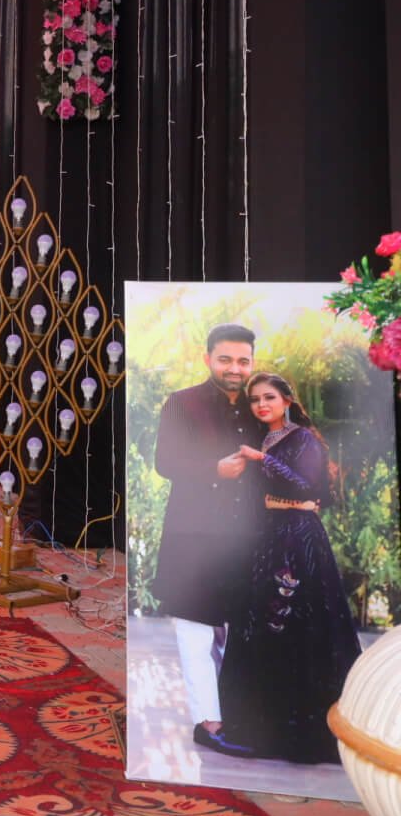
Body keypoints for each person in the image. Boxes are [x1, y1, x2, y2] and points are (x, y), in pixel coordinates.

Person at [215, 372, 361, 763]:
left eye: (269, 398)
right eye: (255, 400)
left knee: (295, 622)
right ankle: (257, 726)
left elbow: (308, 489)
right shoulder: (265, 437)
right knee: (258, 624)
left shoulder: (303, 439)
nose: (262, 405)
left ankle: (301, 734)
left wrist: (263, 461)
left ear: (287, 400)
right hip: (268, 535)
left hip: (298, 540)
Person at [148, 323, 263, 754]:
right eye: (226, 359)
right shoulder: (182, 403)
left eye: (243, 360)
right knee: (196, 629)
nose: (235, 368)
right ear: (207, 358)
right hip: (193, 536)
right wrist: (214, 470)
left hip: (248, 536)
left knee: (239, 631)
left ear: (252, 361)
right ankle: (208, 722)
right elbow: (165, 461)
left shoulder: (261, 403)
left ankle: (240, 717)